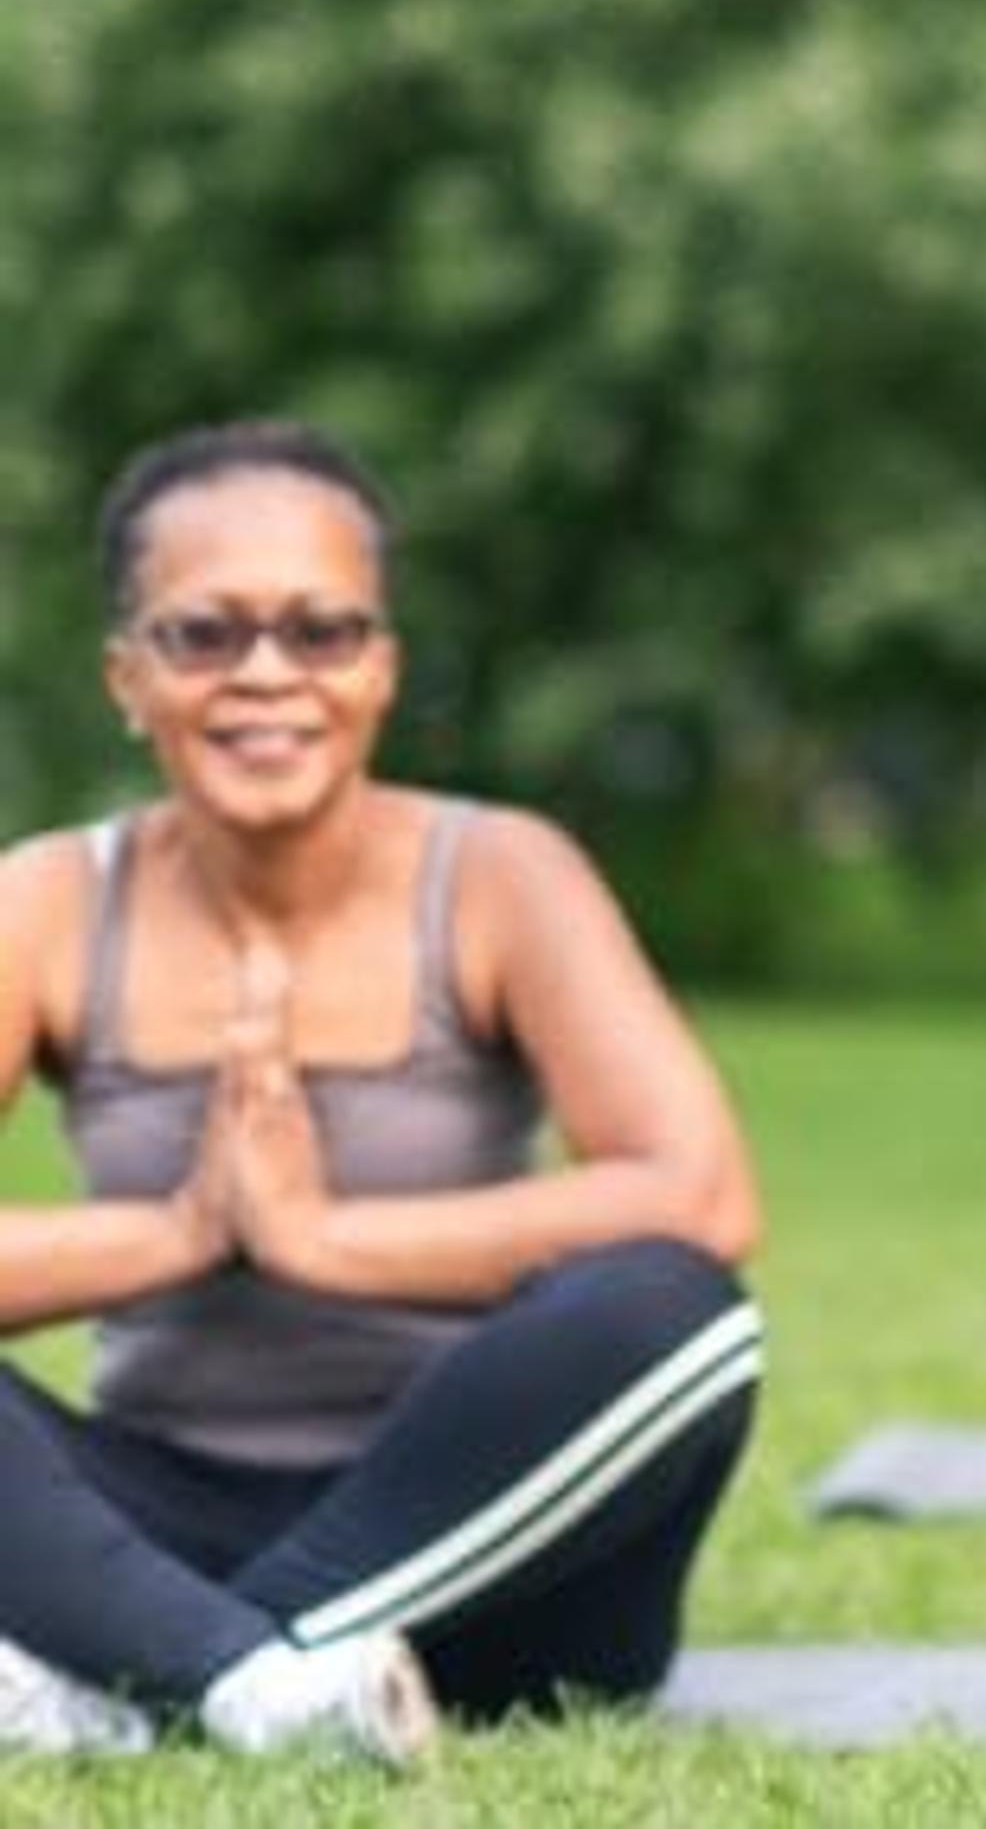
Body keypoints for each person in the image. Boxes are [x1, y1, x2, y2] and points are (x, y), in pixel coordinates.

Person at [0, 422, 765, 1764]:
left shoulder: (501, 875)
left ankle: (158, 1677)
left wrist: (319, 1239)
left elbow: (696, 1194)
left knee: (674, 1309)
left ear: (383, 669)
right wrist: (182, 1234)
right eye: (205, 635)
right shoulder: (53, 901)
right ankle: (244, 1682)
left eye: (321, 631)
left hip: (498, 1557)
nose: (266, 676)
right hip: (154, 1510)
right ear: (128, 676)